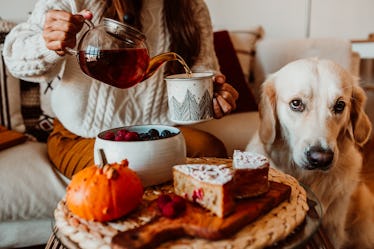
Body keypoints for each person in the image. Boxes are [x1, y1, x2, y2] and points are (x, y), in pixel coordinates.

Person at [3, 0, 239, 179]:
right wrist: (47, 43)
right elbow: (15, 59)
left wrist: (216, 94)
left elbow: (203, 70)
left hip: (158, 133)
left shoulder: (190, 6)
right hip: (83, 137)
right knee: (129, 178)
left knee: (213, 152)